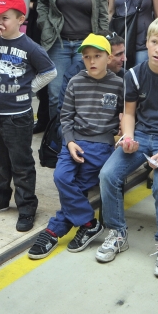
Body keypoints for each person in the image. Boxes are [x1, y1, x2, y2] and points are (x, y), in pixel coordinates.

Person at [96, 16, 158, 278]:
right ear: (147, 42)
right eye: (154, 43)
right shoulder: (134, 74)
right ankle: (117, 233)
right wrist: (128, 137)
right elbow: (129, 114)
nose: (157, 50)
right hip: (141, 134)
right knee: (108, 174)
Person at [27, 34, 124, 259]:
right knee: (61, 177)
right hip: (73, 142)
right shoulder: (75, 81)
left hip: (101, 145)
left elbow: (127, 115)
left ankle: (54, 230)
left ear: (108, 57)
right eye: (87, 56)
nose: (92, 61)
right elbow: (66, 116)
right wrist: (69, 142)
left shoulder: (119, 84)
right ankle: (88, 222)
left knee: (78, 186)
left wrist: (122, 132)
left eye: (97, 56)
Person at [0, 0, 56, 232]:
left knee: (21, 162)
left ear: (21, 19)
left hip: (18, 116)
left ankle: (27, 206)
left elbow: (50, 72)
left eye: (5, 18)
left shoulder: (30, 47)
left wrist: (28, 90)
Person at [37, 0, 109, 116]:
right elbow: (42, 3)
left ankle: (76, 136)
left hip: (85, 46)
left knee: (81, 93)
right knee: (55, 94)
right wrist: (46, 26)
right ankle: (56, 138)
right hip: (57, 43)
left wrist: (101, 42)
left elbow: (102, 14)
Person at [27, 0, 69, 131]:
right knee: (38, 71)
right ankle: (43, 119)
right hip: (37, 24)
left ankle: (54, 125)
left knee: (52, 76)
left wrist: (36, 3)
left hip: (56, 26)